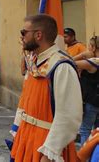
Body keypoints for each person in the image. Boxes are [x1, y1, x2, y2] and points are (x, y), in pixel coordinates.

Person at [10, 14, 82, 162]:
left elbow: (68, 116)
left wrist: (50, 153)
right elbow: (25, 99)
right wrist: (17, 130)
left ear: (38, 35)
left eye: (24, 32)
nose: (21, 37)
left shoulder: (61, 66)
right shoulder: (34, 62)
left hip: (46, 142)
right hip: (26, 137)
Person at [75, 36, 99, 145]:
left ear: (94, 48)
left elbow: (67, 62)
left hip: (91, 101)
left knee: (85, 130)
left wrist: (81, 55)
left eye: (89, 46)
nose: (87, 48)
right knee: (97, 131)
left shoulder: (92, 62)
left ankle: (85, 157)